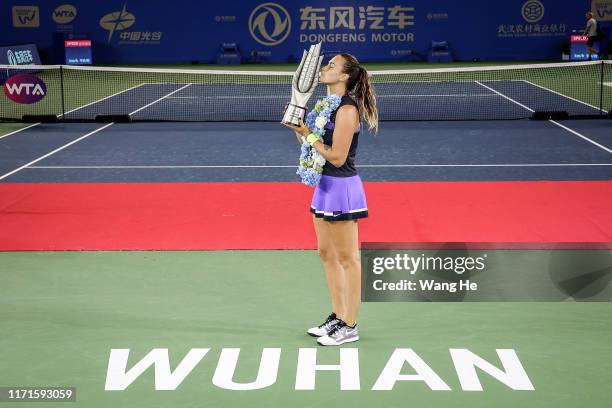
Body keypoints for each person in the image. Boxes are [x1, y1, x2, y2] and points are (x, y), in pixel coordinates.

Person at [283, 53, 378, 346]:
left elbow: (336, 156)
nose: (325, 69)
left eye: (331, 66)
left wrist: (309, 135)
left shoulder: (347, 111)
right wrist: (300, 129)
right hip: (323, 187)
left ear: (345, 76)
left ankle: (350, 324)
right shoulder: (326, 106)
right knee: (326, 254)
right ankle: (337, 316)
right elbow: (312, 143)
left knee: (348, 258)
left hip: (342, 189)